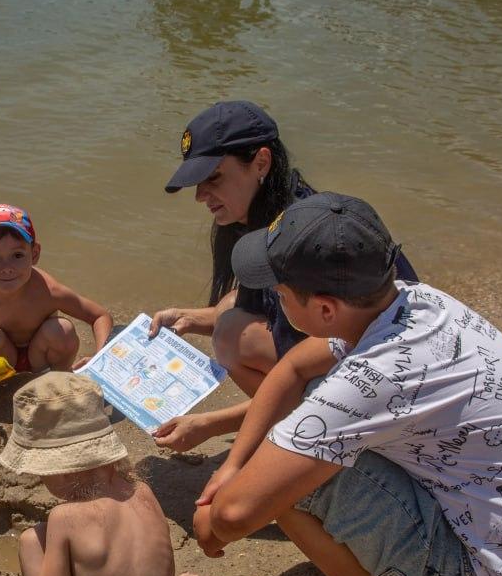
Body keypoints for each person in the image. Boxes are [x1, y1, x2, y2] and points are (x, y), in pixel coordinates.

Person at [193, 192, 502, 576]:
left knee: (284, 488)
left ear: (326, 309)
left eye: (281, 292)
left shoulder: (372, 379)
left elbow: (235, 514)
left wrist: (213, 525)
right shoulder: (415, 300)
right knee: (295, 434)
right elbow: (295, 366)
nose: (274, 298)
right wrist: (231, 464)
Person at [150, 100, 419, 452]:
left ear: (261, 162)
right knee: (230, 308)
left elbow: (313, 373)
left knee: (232, 335)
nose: (200, 196)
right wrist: (186, 318)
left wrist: (210, 424)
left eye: (212, 178)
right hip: (368, 351)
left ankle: (299, 436)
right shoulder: (275, 212)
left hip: (388, 379)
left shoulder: (300, 245)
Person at [1, 373, 207, 576]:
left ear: (59, 471)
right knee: (131, 552)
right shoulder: (143, 493)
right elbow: (158, 564)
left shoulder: (64, 517)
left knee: (31, 541)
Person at [0, 203, 113, 399]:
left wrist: (101, 361)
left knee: (61, 330)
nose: (7, 267)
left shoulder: (48, 291)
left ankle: (59, 378)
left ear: (34, 254)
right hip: (1, 363)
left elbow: (99, 316)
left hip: (40, 357)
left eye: (17, 255)